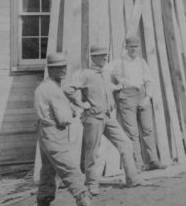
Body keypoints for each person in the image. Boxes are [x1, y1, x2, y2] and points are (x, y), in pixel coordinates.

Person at [65, 45, 141, 195]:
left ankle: (132, 179)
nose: (105, 58)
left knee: (126, 143)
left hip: (107, 117)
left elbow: (104, 88)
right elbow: (68, 89)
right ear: (93, 57)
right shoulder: (85, 74)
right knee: (92, 153)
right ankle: (92, 184)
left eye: (105, 55)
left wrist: (117, 87)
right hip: (93, 118)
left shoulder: (105, 73)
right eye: (101, 56)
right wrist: (81, 104)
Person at [34, 53, 91, 206]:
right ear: (50, 70)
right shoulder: (52, 89)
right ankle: (83, 199)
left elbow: (61, 106)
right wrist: (75, 112)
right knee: (69, 168)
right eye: (59, 68)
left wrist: (70, 107)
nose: (64, 70)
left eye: (64, 67)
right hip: (54, 133)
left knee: (48, 170)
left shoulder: (45, 87)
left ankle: (43, 201)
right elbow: (64, 119)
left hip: (45, 132)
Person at [111, 36, 168, 171]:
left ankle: (153, 161)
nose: (133, 49)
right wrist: (118, 85)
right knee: (132, 132)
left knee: (148, 129)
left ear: (139, 47)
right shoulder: (120, 63)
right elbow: (111, 76)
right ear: (126, 48)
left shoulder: (142, 62)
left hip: (142, 96)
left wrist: (147, 97)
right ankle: (138, 164)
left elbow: (149, 81)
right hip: (127, 97)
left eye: (136, 46)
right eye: (131, 47)